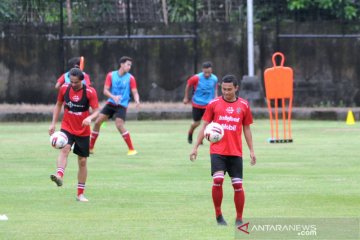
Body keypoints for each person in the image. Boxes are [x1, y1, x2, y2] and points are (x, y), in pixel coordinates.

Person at [189, 74, 256, 226]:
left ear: (236, 88)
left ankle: (239, 218)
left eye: (229, 89)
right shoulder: (213, 104)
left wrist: (251, 150)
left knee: (238, 185)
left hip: (235, 152)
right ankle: (219, 215)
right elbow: (205, 127)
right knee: (218, 180)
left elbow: (247, 129)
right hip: (218, 151)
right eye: (223, 89)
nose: (226, 92)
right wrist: (195, 148)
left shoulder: (244, 105)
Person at [49, 68, 99, 202]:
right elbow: (58, 105)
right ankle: (59, 175)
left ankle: (80, 194)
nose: (73, 84)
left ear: (82, 80)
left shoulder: (90, 92)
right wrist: (53, 123)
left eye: (75, 82)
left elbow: (97, 111)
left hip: (83, 130)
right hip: (67, 127)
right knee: (65, 149)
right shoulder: (64, 88)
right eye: (71, 81)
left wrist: (90, 118)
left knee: (82, 161)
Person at [90, 56, 140, 155]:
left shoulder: (131, 78)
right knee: (97, 122)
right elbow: (105, 91)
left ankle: (131, 149)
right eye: (128, 64)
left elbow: (135, 92)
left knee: (119, 125)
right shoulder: (111, 75)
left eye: (130, 65)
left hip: (122, 105)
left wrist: (137, 100)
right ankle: (90, 148)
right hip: (111, 103)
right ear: (121, 64)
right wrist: (113, 97)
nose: (129, 67)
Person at [183, 61, 218, 144]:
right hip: (197, 104)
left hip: (208, 105)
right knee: (197, 123)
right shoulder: (196, 78)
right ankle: (190, 132)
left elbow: (215, 87)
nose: (207, 74)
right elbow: (188, 85)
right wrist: (186, 97)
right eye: (205, 72)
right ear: (202, 70)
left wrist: (216, 97)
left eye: (208, 72)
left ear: (211, 70)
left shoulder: (214, 78)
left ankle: (200, 139)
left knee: (208, 123)